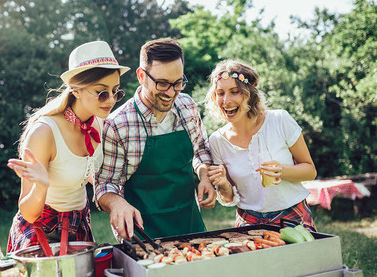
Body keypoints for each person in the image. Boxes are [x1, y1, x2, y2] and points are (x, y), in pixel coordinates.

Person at [6, 41, 130, 252]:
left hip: (78, 223)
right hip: (41, 229)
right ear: (76, 90)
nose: (110, 100)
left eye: (116, 91)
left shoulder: (100, 122)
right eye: (101, 92)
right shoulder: (44, 133)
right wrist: (41, 186)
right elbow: (28, 213)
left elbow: (92, 174)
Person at [95, 38, 216, 241]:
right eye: (162, 83)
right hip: (143, 235)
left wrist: (204, 175)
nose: (171, 93)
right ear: (141, 76)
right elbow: (105, 184)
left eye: (177, 83)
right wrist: (117, 204)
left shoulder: (187, 106)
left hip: (190, 225)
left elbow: (201, 148)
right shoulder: (118, 125)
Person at [206, 59, 317, 231]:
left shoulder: (280, 120)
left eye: (234, 92)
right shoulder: (217, 141)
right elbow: (228, 198)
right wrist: (223, 184)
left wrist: (282, 171)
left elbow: (310, 171)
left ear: (250, 94)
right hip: (248, 220)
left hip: (293, 215)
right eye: (220, 93)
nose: (226, 100)